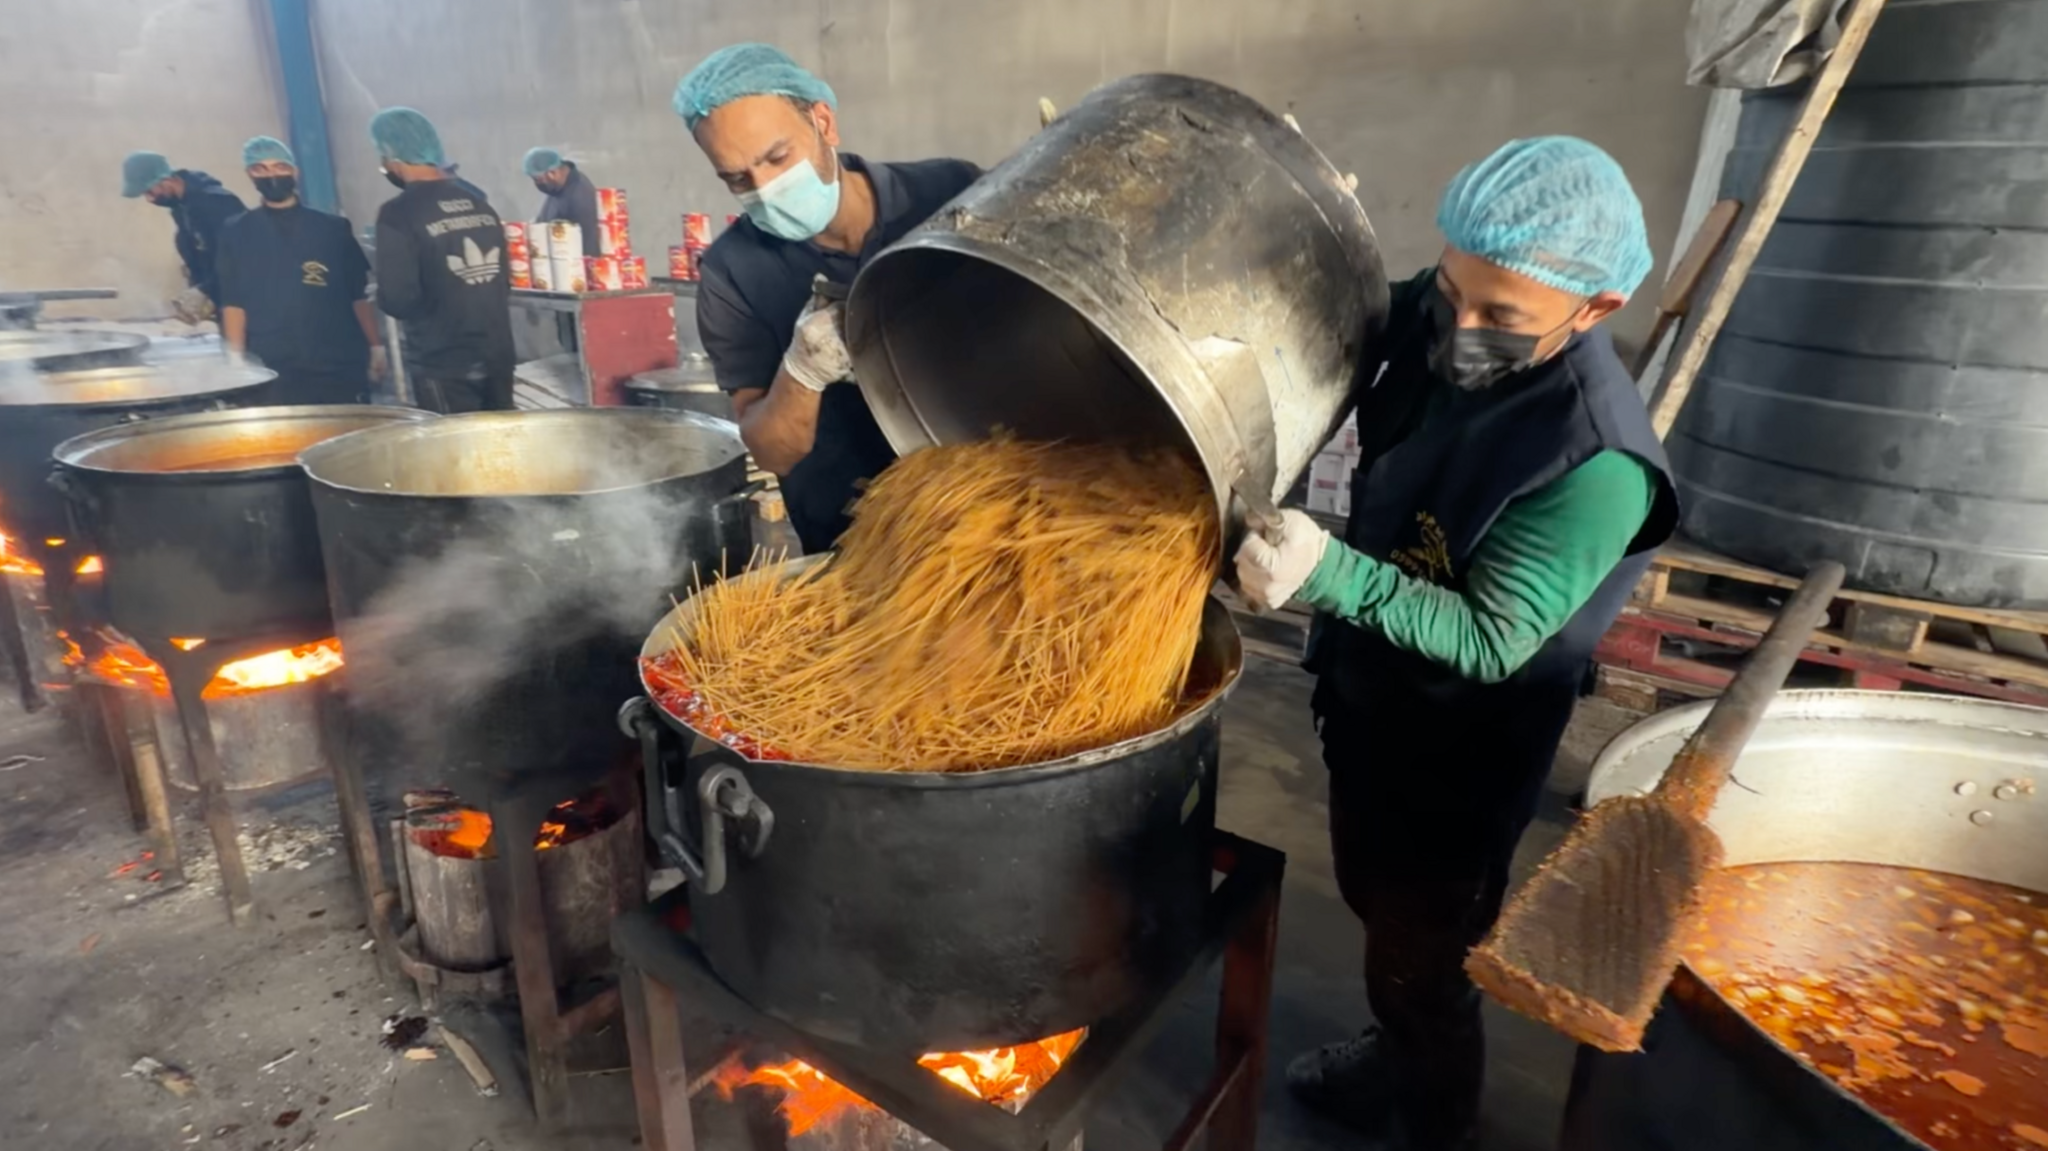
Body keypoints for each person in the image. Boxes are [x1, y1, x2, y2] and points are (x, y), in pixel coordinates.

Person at [1233, 137, 1679, 1151]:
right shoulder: (1451, 307)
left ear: (1594, 309)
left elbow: (1488, 636)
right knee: (1364, 888)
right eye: (1450, 289)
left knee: (1424, 950)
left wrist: (1326, 574)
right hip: (1372, 694)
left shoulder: (1593, 459)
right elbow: (1356, 310)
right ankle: (1393, 1041)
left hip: (1458, 751)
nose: (1456, 327)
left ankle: (1435, 1114)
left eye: (1498, 317)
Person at [672, 43, 979, 554]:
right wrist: (803, 371)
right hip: (854, 540)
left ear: (824, 123)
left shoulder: (949, 191)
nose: (766, 190)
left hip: (988, 510)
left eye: (776, 158)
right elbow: (773, 453)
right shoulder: (732, 273)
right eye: (737, 178)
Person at [214, 136, 385, 404]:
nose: (272, 175)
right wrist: (236, 357)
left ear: (295, 171)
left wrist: (375, 346)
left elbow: (358, 295)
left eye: (280, 167)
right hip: (272, 362)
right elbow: (233, 300)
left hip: (337, 359)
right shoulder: (236, 232)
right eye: (261, 169)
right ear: (250, 174)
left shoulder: (333, 228)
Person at [368, 107, 514, 413]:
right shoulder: (479, 204)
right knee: (502, 449)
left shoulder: (398, 214)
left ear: (392, 156)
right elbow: (504, 282)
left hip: (444, 363)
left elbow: (398, 300)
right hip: (497, 354)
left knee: (455, 456)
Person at [121, 150, 246, 322]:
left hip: (246, 306)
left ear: (165, 179)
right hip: (224, 304)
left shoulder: (218, 203)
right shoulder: (182, 210)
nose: (149, 199)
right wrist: (200, 293)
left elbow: (242, 258)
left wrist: (206, 290)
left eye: (149, 191)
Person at [524, 147, 601, 257]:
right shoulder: (558, 188)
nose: (536, 184)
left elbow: (588, 249)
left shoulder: (580, 196)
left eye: (537, 179)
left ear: (552, 173)